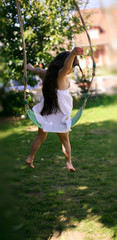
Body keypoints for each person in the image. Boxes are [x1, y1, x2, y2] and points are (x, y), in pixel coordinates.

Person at [25, 47, 84, 171]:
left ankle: (30, 157)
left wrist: (29, 68)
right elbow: (67, 67)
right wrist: (73, 53)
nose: (72, 69)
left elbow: (38, 70)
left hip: (47, 112)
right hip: (59, 116)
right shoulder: (61, 75)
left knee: (40, 136)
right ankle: (68, 162)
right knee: (65, 140)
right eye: (74, 66)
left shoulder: (50, 74)